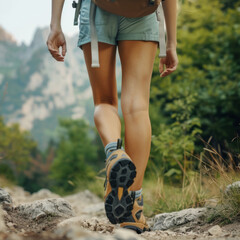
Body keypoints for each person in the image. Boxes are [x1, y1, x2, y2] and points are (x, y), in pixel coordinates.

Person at [47, 0, 178, 233]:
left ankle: (114, 153)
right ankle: (133, 209)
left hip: (97, 11)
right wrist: (171, 43)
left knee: (104, 101)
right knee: (137, 108)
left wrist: (55, 24)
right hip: (143, 11)